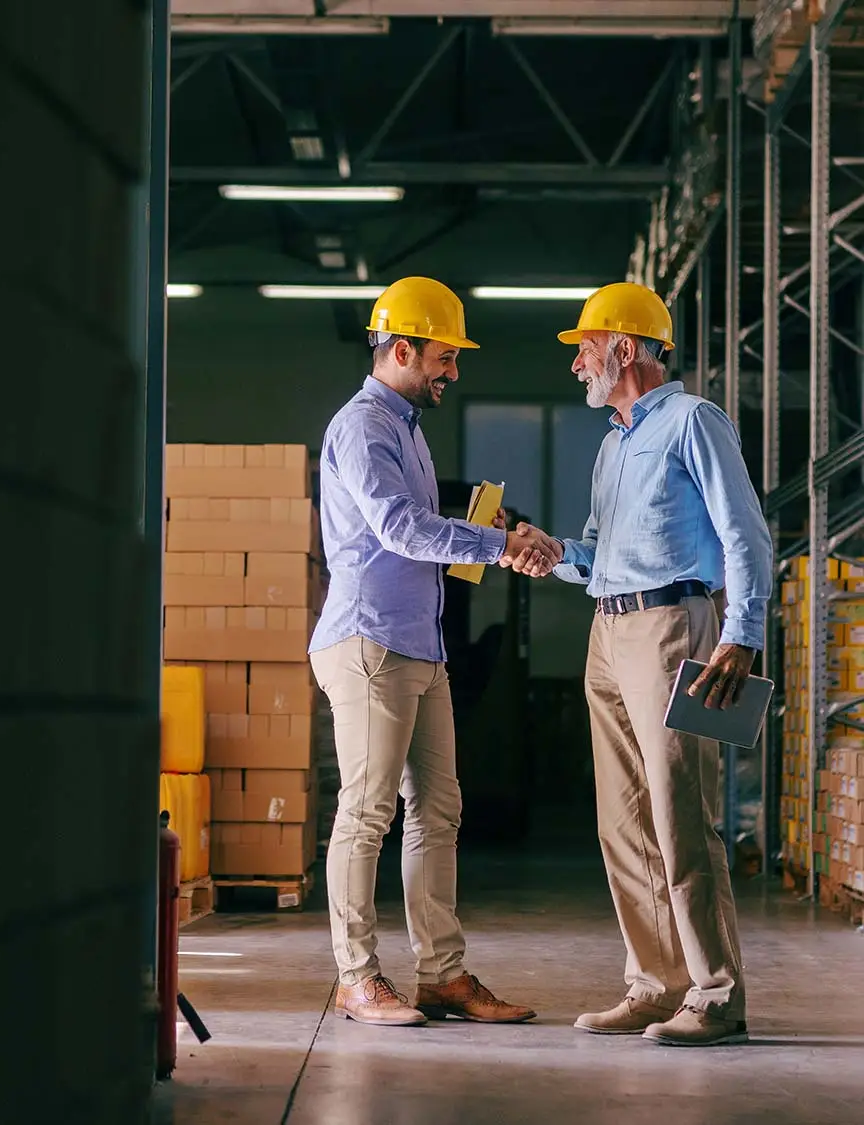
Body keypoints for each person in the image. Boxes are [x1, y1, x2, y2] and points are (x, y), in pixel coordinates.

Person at [501, 282, 772, 1047]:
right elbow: (601, 556)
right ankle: (656, 984)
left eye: (584, 346)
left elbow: (745, 534)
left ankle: (717, 992)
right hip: (610, 629)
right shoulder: (614, 442)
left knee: (680, 815)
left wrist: (741, 632)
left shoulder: (694, 422)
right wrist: (551, 554)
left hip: (673, 630)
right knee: (623, 822)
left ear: (624, 347)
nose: (577, 360)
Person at [309, 276, 554, 1027]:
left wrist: (487, 532)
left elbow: (418, 525)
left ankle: (442, 974)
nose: (453, 372)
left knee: (438, 809)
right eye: (444, 358)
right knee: (367, 809)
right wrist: (498, 543)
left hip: (418, 643)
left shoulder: (408, 427)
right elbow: (400, 530)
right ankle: (356, 976)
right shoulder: (363, 427)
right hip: (369, 639)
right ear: (403, 349)